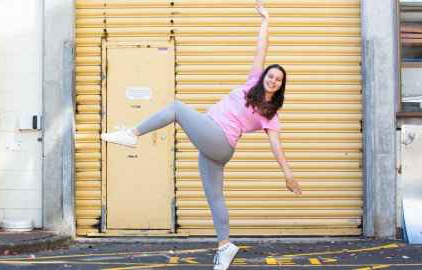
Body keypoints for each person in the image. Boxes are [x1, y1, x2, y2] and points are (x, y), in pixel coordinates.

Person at [101, 1, 302, 269]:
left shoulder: (270, 114)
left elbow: (277, 146)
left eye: (278, 80)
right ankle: (225, 246)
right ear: (265, 75)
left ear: (280, 87)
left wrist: (288, 174)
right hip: (215, 145)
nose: (273, 80)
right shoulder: (253, 81)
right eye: (271, 75)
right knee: (214, 197)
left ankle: (132, 133)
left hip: (219, 139)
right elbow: (260, 48)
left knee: (175, 108)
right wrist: (266, 20)